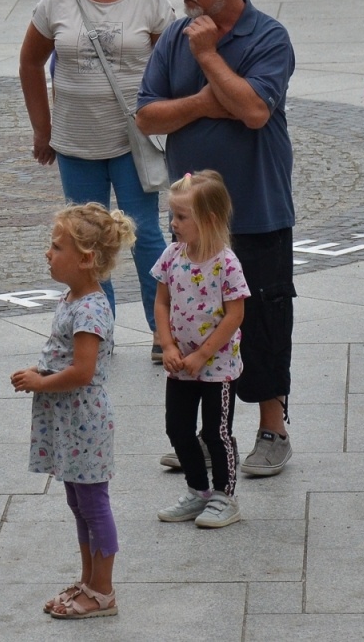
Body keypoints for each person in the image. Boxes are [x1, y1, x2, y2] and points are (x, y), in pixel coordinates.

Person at [137, 0, 298, 478]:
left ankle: (273, 429)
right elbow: (147, 116)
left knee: (265, 317)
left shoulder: (268, 37)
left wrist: (208, 58)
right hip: (192, 218)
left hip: (257, 208)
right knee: (195, 318)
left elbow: (253, 111)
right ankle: (209, 435)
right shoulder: (175, 35)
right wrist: (209, 102)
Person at [19, 0, 174, 331]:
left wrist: (168, 119)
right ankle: (96, 333)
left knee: (145, 240)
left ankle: (164, 332)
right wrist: (42, 128)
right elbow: (30, 62)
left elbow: (173, 65)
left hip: (133, 142)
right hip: (75, 143)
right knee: (86, 245)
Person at [13, 203, 133, 620]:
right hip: (70, 421)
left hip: (84, 419)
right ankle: (88, 581)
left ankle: (103, 590)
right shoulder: (72, 298)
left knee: (94, 503)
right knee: (78, 502)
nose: (48, 253)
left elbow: (83, 371)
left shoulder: (91, 308)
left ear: (85, 259)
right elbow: (66, 357)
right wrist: (39, 369)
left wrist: (42, 382)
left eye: (56, 246)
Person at [153, 171, 249, 530]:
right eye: (172, 216)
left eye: (181, 217)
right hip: (180, 363)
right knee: (177, 428)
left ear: (208, 220)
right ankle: (198, 491)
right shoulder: (172, 256)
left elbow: (235, 314)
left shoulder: (226, 263)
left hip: (216, 367)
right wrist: (168, 344)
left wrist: (202, 354)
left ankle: (225, 496)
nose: (173, 224)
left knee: (215, 432)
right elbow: (162, 303)